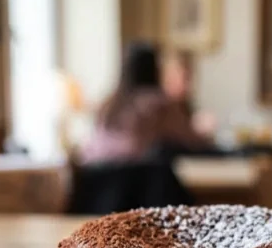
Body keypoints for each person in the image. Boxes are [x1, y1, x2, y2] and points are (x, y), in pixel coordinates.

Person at [79, 42, 212, 164]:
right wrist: (204, 130)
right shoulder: (158, 104)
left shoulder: (109, 103)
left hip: (97, 180)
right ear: (155, 69)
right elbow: (192, 141)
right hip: (130, 181)